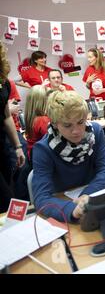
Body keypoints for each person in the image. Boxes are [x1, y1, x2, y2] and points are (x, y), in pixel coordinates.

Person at [32, 90, 105, 222]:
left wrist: (86, 196)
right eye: (67, 125)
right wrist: (72, 210)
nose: (76, 131)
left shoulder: (97, 132)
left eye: (81, 122)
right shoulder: (43, 149)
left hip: (93, 201)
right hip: (64, 206)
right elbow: (41, 198)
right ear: (55, 124)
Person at [0, 41, 25, 212]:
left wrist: (17, 146)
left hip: (2, 147)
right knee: (5, 198)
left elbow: (6, 116)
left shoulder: (4, 82)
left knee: (9, 191)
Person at [24, 85, 49, 160]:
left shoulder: (33, 117)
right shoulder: (42, 120)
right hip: (41, 156)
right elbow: (54, 139)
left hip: (33, 154)